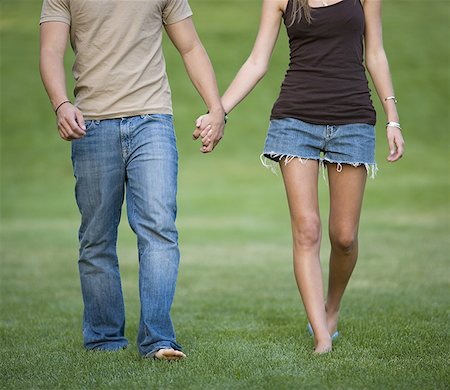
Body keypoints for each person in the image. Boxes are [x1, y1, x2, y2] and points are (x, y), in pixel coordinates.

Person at [195, 0, 404, 353]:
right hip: (295, 120)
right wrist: (220, 112)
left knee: (344, 237)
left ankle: (331, 308)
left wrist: (392, 119)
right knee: (306, 229)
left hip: (352, 119)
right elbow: (256, 62)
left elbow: (376, 54)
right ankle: (322, 337)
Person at [39, 0, 225, 360]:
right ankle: (105, 339)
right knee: (96, 236)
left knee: (159, 228)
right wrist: (61, 103)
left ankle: (158, 339)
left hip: (152, 119)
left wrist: (215, 107)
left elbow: (190, 46)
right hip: (90, 125)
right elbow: (50, 49)